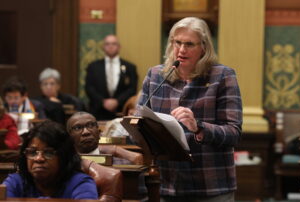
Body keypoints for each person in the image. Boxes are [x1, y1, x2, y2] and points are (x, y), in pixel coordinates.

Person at [137, 17, 243, 202]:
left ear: (204, 47)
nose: (181, 49)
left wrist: (198, 127)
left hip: (210, 184)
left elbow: (233, 132)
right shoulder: (155, 75)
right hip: (166, 183)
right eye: (177, 42)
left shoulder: (222, 76)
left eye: (189, 44)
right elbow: (138, 123)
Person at [2, 120, 98, 199]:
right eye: (32, 152)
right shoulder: (16, 181)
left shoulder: (80, 182)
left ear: (63, 156)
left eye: (48, 153)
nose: (39, 159)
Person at [85, 34, 138, 120]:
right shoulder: (93, 66)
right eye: (107, 44)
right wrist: (103, 102)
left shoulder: (130, 67)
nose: (110, 46)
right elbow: (89, 88)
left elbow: (132, 89)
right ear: (103, 47)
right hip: (98, 111)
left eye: (114, 44)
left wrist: (117, 101)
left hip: (121, 111)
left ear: (119, 47)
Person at [67, 111, 143, 165]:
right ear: (69, 136)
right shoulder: (64, 165)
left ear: (99, 132)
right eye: (77, 128)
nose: (86, 132)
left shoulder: (123, 163)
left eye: (90, 125)